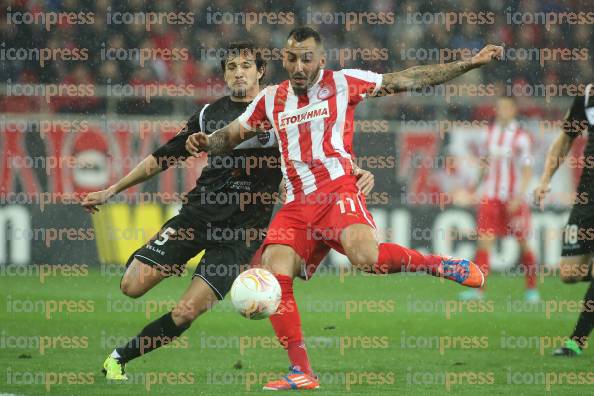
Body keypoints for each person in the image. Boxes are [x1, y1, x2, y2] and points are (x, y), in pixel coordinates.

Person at [185, 26, 503, 390]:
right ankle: (300, 370)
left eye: (307, 58)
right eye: (291, 58)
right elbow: (233, 134)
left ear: (321, 59)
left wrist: (469, 63)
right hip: (297, 204)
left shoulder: (344, 82)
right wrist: (206, 141)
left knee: (367, 259)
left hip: (337, 192)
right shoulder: (271, 99)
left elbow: (410, 78)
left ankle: (441, 265)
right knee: (274, 271)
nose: (299, 65)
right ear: (283, 60)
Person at [82, 41, 376, 380]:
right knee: (131, 287)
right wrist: (112, 189)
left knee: (186, 311)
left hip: (242, 235)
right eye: (232, 66)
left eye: (246, 66)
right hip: (197, 218)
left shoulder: (284, 110)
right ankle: (163, 257)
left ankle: (118, 359)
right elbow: (162, 157)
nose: (239, 72)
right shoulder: (209, 115)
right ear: (224, 74)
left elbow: (321, 153)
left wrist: (356, 171)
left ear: (260, 71)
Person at [534, 83, 594, 356]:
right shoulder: (588, 96)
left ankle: (576, 340)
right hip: (588, 195)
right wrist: (546, 178)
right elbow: (566, 138)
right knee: (570, 273)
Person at [460, 96, 539, 302]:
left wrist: (520, 196)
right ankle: (478, 290)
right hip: (490, 197)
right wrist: (474, 187)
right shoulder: (488, 134)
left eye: (506, 107)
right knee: (484, 243)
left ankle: (532, 289)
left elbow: (527, 170)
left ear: (514, 110)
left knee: (523, 243)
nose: (502, 110)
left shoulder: (521, 138)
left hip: (513, 198)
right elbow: (484, 166)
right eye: (500, 107)